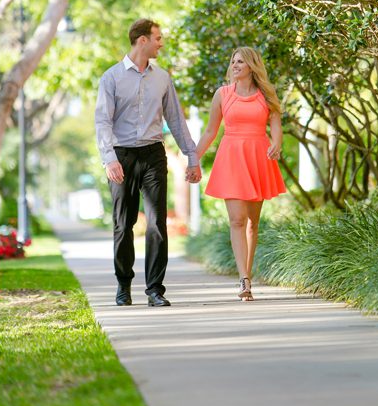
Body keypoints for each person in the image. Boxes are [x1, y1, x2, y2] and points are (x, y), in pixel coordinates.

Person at [95, 18, 201, 308]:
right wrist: (109, 159)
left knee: (157, 223)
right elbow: (103, 121)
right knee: (122, 224)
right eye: (157, 38)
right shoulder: (112, 77)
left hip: (153, 154)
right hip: (122, 156)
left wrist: (192, 157)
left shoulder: (162, 78)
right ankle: (123, 286)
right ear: (142, 40)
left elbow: (176, 121)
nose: (161, 43)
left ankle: (155, 289)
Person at [196, 47, 286, 301]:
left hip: (258, 157)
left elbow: (276, 126)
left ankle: (247, 273)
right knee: (237, 219)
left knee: (253, 223)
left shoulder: (266, 96)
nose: (235, 65)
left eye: (240, 62)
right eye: (233, 61)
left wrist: (276, 144)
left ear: (252, 66)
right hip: (232, 158)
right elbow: (210, 131)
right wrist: (193, 158)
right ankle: (244, 280)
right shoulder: (222, 94)